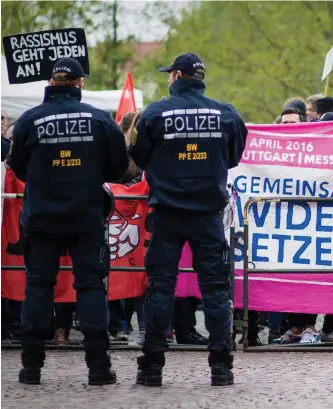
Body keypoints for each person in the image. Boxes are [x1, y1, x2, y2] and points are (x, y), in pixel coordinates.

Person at [7, 57, 129, 385]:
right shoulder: (100, 120)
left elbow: (16, 166)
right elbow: (117, 170)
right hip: (86, 216)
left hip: (42, 217)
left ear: (50, 82)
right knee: (90, 287)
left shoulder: (30, 120)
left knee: (38, 285)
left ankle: (31, 366)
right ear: (80, 84)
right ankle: (98, 367)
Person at [129, 53, 247, 387]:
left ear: (177, 75)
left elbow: (138, 156)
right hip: (207, 215)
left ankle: (152, 366)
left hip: (166, 214)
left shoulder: (154, 112)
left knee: (160, 288)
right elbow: (234, 156)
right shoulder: (225, 112)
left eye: (170, 74)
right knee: (215, 291)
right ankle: (221, 367)